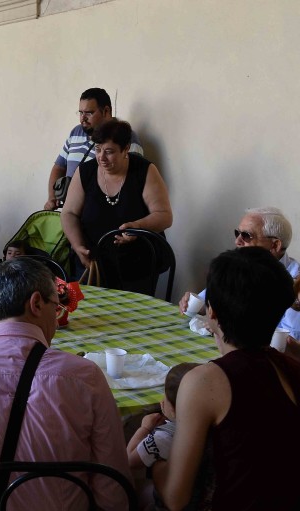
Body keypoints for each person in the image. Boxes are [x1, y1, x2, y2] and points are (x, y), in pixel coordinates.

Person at [0, 258, 130, 510]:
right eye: (56, 307)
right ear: (36, 303)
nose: (56, 320)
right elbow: (111, 479)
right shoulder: (84, 376)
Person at [153, 247, 300, 511]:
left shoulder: (205, 381)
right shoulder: (289, 367)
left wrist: (154, 463)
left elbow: (176, 498)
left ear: (211, 312)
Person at [61, 119, 172, 280]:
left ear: (125, 149)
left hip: (137, 264)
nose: (101, 157)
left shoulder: (144, 170)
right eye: (98, 150)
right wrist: (78, 246)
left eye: (109, 152)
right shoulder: (85, 171)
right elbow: (69, 213)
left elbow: (164, 215)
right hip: (93, 262)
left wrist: (138, 226)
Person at [179, 207, 300, 341]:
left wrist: (231, 328)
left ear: (275, 245)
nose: (237, 241)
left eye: (246, 236)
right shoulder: (239, 266)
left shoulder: (296, 283)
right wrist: (194, 303)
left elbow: (290, 338)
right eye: (237, 233)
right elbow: (208, 301)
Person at [126, 363, 213, 510]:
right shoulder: (216, 429)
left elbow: (130, 460)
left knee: (137, 490)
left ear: (174, 409)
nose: (161, 401)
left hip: (174, 504)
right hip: (207, 502)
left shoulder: (163, 438)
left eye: (165, 396)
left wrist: (144, 428)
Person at [44, 88, 144, 210]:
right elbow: (59, 167)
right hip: (70, 212)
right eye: (80, 113)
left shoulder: (127, 138)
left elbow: (132, 182)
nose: (83, 118)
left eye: (89, 113)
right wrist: (52, 198)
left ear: (106, 111)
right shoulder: (75, 132)